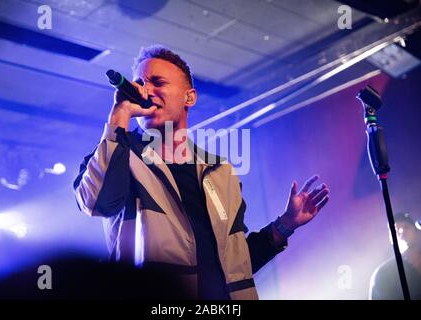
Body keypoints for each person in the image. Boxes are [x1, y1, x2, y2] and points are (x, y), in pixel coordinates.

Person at [73, 45, 330, 300]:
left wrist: (285, 224)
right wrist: (120, 114)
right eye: (140, 82)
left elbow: (235, 267)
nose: (146, 90)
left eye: (157, 82)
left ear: (189, 97)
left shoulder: (221, 172)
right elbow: (98, 203)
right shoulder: (117, 154)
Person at [369, 212, 421, 300]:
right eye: (396, 229)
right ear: (391, 238)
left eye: (406, 227)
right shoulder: (383, 274)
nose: (402, 231)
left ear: (416, 232)